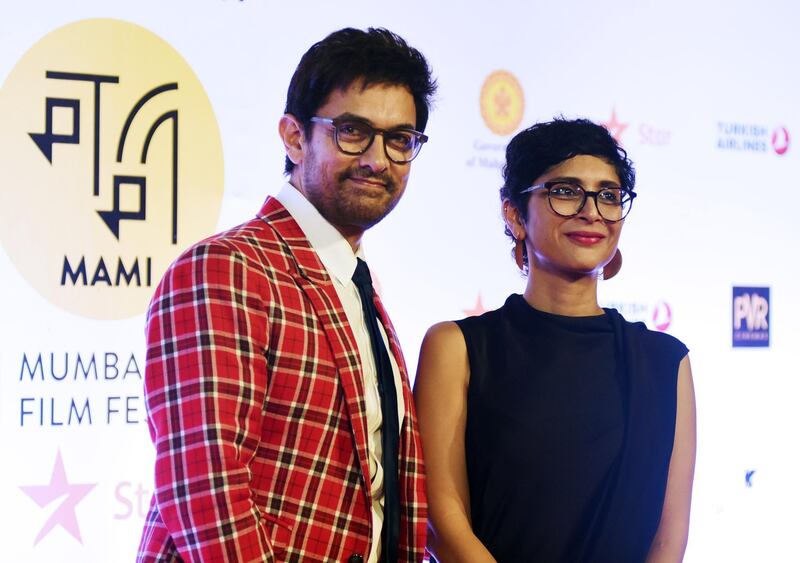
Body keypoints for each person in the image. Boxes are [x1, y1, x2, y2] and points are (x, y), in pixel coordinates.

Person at [137, 27, 436, 563]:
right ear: (295, 137)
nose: (378, 159)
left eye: (400, 139)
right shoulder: (230, 268)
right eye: (352, 131)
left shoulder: (353, 284)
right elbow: (208, 488)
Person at [414, 118, 696, 562]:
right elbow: (441, 519)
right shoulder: (458, 347)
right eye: (565, 191)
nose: (591, 211)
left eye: (608, 195)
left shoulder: (664, 362)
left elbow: (668, 537)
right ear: (514, 214)